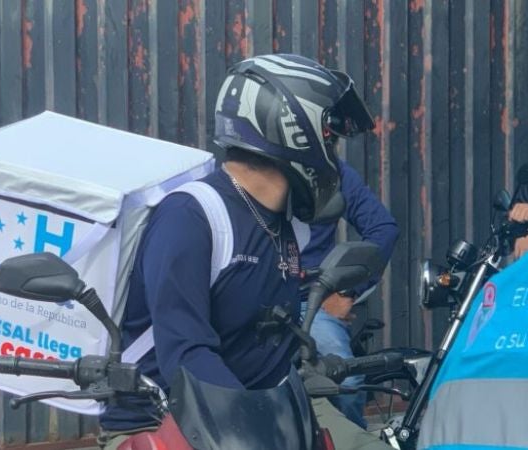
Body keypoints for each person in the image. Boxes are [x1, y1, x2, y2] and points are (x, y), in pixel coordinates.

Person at [99, 54, 391, 450]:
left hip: (272, 408)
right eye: (330, 137)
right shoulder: (191, 217)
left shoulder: (284, 224)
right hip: (166, 419)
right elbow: (186, 353)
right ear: (293, 129)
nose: (333, 154)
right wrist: (260, 428)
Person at [295, 160, 399, 430]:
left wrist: (346, 291)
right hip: (258, 299)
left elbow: (383, 229)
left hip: (312, 301)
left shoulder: (332, 171)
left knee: (347, 381)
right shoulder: (253, 171)